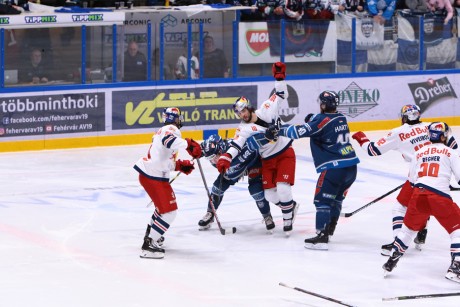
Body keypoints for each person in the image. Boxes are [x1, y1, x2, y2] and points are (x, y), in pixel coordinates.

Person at [352, 104, 458, 256]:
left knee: (402, 205)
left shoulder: (399, 132)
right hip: (441, 170)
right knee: (427, 202)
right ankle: (422, 230)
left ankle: (398, 241)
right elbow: (453, 146)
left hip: (419, 173)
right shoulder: (433, 126)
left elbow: (373, 150)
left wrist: (361, 138)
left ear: (404, 117)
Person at [265, 91, 360, 250]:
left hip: (334, 168)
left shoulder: (321, 120)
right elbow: (321, 124)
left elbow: (298, 132)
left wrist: (278, 129)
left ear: (323, 104)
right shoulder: (341, 118)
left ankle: (322, 236)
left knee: (322, 201)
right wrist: (313, 119)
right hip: (351, 167)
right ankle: (330, 229)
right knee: (336, 200)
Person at [216, 62, 298, 235]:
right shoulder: (242, 128)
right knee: (269, 195)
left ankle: (288, 218)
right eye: (239, 113)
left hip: (284, 152)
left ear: (249, 106)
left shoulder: (267, 108)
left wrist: (279, 79)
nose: (242, 114)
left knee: (283, 188)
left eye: (243, 110)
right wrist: (226, 158)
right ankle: (291, 206)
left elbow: (281, 94)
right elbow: (236, 144)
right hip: (267, 159)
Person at [382, 122, 460, 284]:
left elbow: (412, 180)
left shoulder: (419, 151)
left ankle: (391, 261)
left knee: (408, 230)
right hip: (439, 197)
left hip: (418, 195)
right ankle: (456, 268)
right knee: (457, 230)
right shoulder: (450, 152)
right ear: (443, 135)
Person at [133, 107, 202, 259]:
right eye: (178, 118)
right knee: (170, 212)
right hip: (153, 176)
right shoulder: (170, 129)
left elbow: (162, 159)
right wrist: (189, 144)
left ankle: (151, 235)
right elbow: (169, 141)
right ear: (174, 119)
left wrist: (179, 165)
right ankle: (149, 245)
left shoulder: (161, 131)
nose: (179, 120)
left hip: (151, 174)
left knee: (162, 209)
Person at [199, 134, 275, 232]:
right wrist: (196, 152)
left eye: (214, 157)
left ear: (221, 149)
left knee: (256, 191)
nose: (213, 161)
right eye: (210, 159)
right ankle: (210, 213)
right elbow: (199, 148)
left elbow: (253, 151)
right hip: (232, 168)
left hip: (252, 164)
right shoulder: (215, 152)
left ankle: (267, 216)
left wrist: (243, 168)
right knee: (217, 189)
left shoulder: (236, 148)